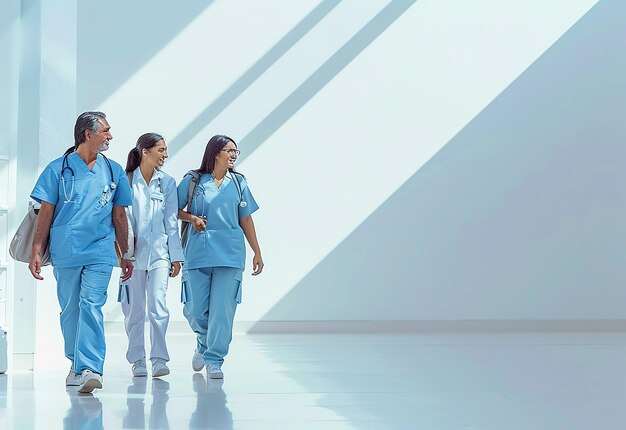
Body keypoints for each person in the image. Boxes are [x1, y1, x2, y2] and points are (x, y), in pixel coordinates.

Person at [28, 111, 133, 393]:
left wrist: (126, 253)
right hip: (67, 249)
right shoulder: (57, 169)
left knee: (91, 304)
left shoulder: (113, 171)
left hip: (100, 249)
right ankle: (76, 365)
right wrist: (36, 250)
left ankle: (90, 367)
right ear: (88, 134)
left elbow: (119, 215)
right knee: (71, 309)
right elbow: (45, 213)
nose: (110, 136)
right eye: (106, 131)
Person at [178, 134, 263, 379]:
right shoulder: (193, 181)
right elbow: (172, 208)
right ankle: (203, 343)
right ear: (216, 153)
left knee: (222, 311)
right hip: (197, 252)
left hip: (230, 253)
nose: (234, 155)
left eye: (236, 151)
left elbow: (245, 218)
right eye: (230, 150)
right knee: (195, 309)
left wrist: (257, 251)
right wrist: (192, 218)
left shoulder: (238, 183)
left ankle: (214, 359)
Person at [119, 133, 184, 378]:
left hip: (159, 255)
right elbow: (120, 221)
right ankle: (137, 359)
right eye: (161, 150)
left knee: (158, 306)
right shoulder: (126, 181)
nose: (165, 155)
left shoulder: (166, 183)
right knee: (134, 310)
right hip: (131, 256)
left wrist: (175, 256)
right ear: (144, 151)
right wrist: (121, 254)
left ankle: (159, 358)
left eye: (166, 150)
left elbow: (171, 223)